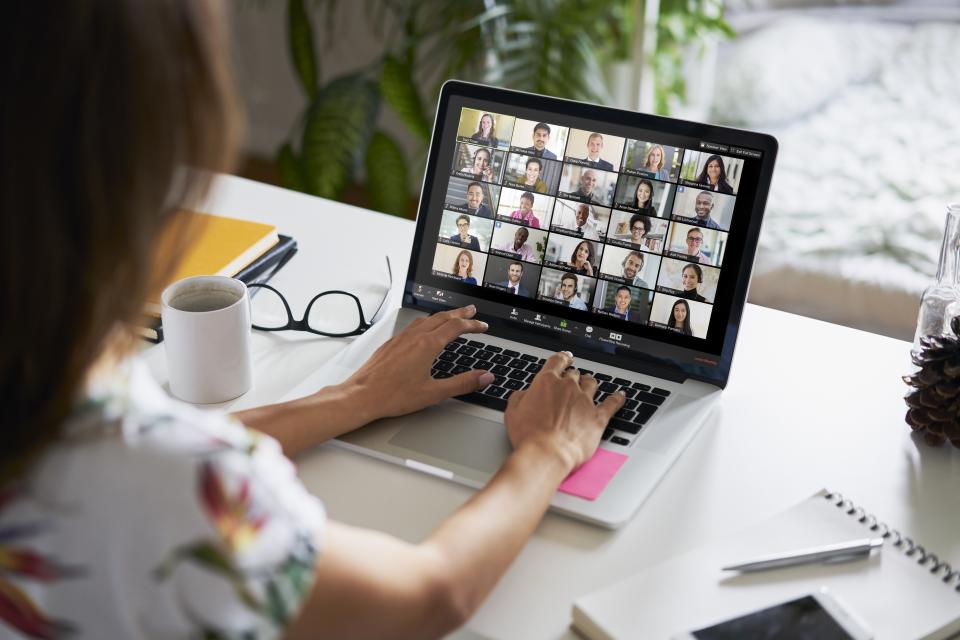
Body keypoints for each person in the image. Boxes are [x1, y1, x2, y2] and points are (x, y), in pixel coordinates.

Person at [1, 5, 628, 639]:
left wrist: (351, 398)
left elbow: (116, 444)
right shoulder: (184, 488)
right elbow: (428, 595)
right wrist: (550, 451)